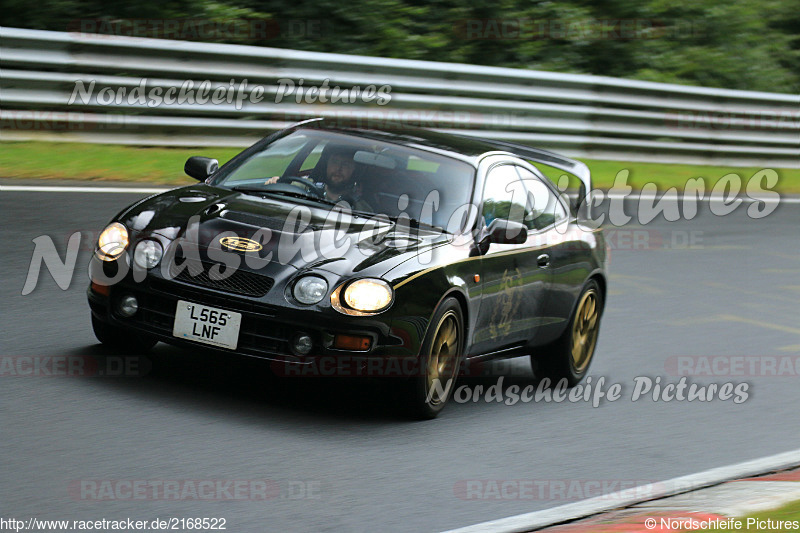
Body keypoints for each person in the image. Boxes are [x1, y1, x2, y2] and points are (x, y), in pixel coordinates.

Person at [265, 146, 372, 212]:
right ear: (326, 164)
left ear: (355, 171)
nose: (338, 169)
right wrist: (274, 183)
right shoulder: (306, 186)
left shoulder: (360, 207)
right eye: (334, 162)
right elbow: (283, 190)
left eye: (346, 164)